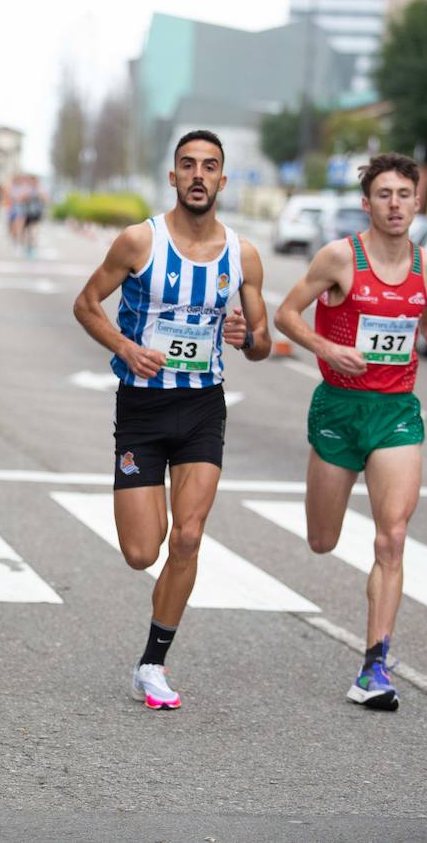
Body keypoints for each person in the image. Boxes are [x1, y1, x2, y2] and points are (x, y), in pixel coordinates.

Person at [73, 129, 271, 710]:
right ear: (173, 176)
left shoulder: (244, 255)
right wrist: (126, 347)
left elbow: (262, 344)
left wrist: (248, 337)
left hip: (202, 405)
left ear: (223, 180)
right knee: (142, 551)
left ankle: (152, 664)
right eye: (188, 165)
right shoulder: (140, 241)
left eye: (210, 166)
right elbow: (86, 304)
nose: (199, 175)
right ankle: (151, 649)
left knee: (187, 536)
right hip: (141, 404)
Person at [273, 152, 427, 711]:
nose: (395, 204)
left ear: (416, 201)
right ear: (367, 204)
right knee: (322, 539)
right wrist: (326, 347)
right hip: (339, 409)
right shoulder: (340, 258)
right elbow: (287, 314)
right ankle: (374, 658)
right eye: (384, 195)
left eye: (405, 194)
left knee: (393, 536)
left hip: (395, 412)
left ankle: (374, 664)